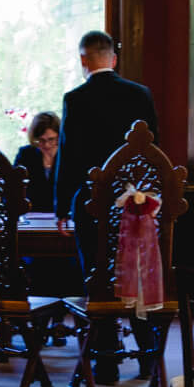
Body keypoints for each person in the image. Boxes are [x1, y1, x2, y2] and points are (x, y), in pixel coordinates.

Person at [55, 30, 158, 243]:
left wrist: (62, 208)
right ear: (114, 59)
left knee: (93, 267)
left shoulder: (75, 99)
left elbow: (68, 155)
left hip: (91, 199)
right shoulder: (141, 94)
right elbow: (153, 148)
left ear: (83, 59)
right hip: (132, 199)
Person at [12, 111, 61, 215]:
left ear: (59, 136)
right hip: (31, 215)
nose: (47, 145)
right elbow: (13, 186)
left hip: (63, 216)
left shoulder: (68, 155)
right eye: (41, 140)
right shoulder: (26, 154)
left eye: (51, 139)